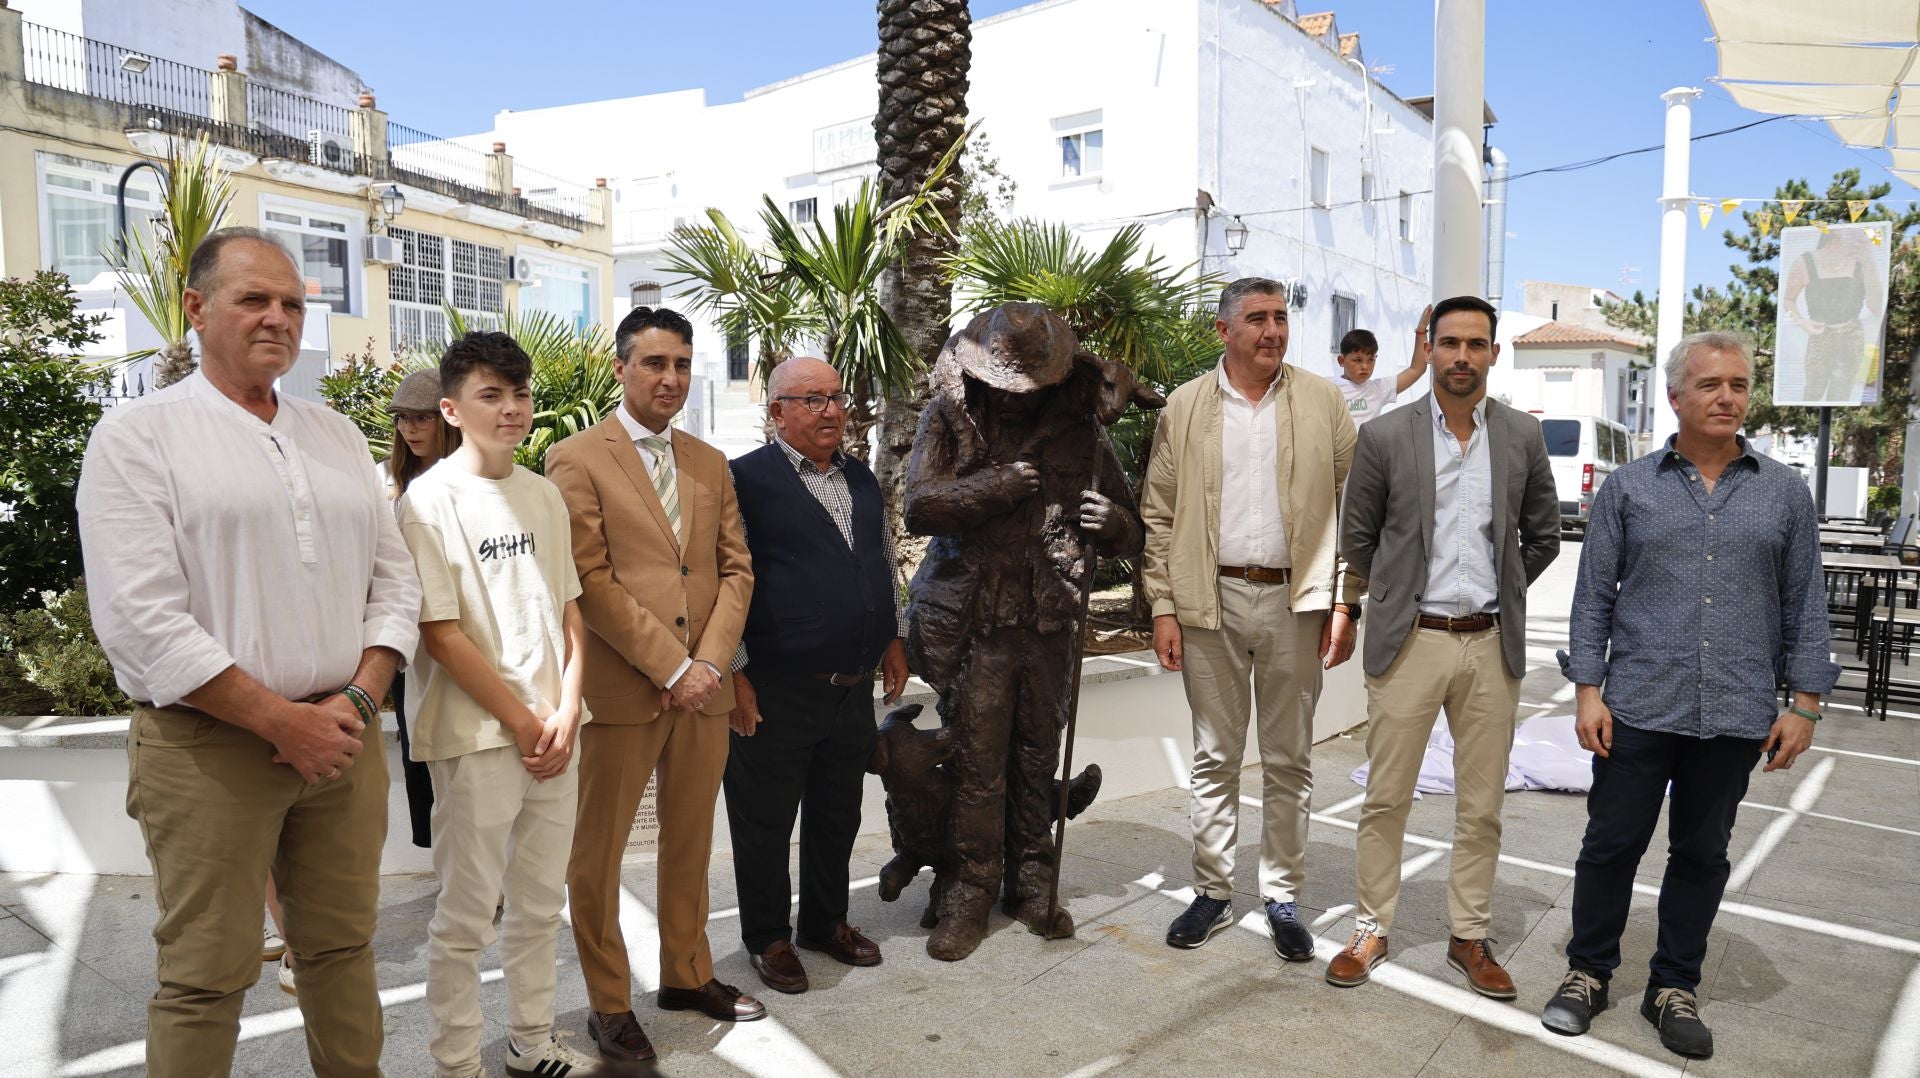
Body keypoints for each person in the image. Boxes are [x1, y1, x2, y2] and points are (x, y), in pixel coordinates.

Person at [76, 227, 420, 1077]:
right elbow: (140, 621)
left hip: (342, 736)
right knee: (205, 976)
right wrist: (281, 721)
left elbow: (397, 587)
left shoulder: (336, 434)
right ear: (196, 309)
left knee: (343, 952)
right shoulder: (138, 437)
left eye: (293, 303)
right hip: (207, 746)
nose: (279, 318)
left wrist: (360, 701)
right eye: (254, 299)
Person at [1542, 331, 1838, 1060]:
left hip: (1735, 711)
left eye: (1738, 384)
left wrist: (1805, 705)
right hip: (1637, 703)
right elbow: (1593, 598)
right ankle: (1588, 973)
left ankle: (1673, 986)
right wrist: (1587, 691)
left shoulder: (1784, 493)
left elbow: (1805, 601)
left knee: (1702, 854)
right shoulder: (1629, 488)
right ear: (1675, 398)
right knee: (1610, 846)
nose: (1727, 397)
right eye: (1710, 385)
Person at [1331, 294, 1560, 997]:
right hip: (1410, 641)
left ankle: (1470, 935)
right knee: (1388, 797)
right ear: (1429, 348)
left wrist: (1508, 589)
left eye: (1476, 344)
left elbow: (1543, 535)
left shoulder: (1521, 435)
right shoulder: (1387, 435)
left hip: (1489, 644)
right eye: (1450, 342)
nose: (1462, 356)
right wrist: (1367, 604)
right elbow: (1357, 537)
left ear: (1494, 352)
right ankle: (1372, 927)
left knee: (1481, 803)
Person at [546, 306, 757, 1064]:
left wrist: (708, 666)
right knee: (595, 857)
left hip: (704, 690)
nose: (670, 378)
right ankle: (609, 1003)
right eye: (654, 363)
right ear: (621, 368)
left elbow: (736, 569)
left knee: (693, 840)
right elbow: (589, 580)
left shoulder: (710, 460)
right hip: (625, 692)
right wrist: (671, 665)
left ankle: (686, 972)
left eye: (680, 364)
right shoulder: (575, 459)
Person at [903, 302, 1144, 961]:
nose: (1015, 400)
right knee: (979, 763)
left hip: (1050, 620)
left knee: (1038, 751)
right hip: (979, 620)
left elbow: (1130, 530)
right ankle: (969, 888)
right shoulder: (948, 418)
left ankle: (1033, 878)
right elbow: (919, 505)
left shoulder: (1079, 430)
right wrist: (993, 487)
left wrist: (1110, 523)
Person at [1141, 277, 1361, 960]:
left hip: (1300, 601)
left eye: (1280, 318)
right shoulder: (1186, 406)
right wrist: (1164, 606)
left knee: (1290, 758)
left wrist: (1346, 599)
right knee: (1215, 756)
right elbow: (1159, 513)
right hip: (1210, 601)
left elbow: (1359, 509)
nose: (1273, 330)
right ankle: (1211, 892)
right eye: (1257, 319)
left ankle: (1282, 896)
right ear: (1223, 331)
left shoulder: (1324, 399)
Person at [399, 332, 599, 1077]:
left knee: (541, 905)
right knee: (464, 918)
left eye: (519, 394)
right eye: (492, 394)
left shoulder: (542, 493)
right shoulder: (429, 502)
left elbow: (570, 610)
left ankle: (531, 1042)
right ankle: (456, 1062)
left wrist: (566, 709)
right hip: (480, 737)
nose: (511, 408)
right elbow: (440, 635)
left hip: (555, 731)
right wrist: (523, 720)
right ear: (452, 408)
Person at [723, 356, 909, 995]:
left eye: (836, 397)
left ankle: (825, 923)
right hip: (775, 687)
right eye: (812, 400)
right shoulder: (743, 480)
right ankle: (769, 938)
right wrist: (736, 675)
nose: (832, 411)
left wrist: (891, 637)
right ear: (776, 412)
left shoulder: (858, 477)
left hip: (850, 687)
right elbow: (728, 583)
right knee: (765, 822)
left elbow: (882, 561)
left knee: (838, 814)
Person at [387, 368, 459, 852]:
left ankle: (478, 870)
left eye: (421, 418)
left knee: (464, 753)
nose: (410, 429)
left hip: (460, 634)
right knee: (420, 752)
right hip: (407, 640)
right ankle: (446, 863)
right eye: (403, 419)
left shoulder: (468, 481)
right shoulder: (387, 482)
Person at [1781, 226, 1884, 404]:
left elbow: (1876, 306)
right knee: (1813, 393)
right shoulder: (1806, 261)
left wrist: (1869, 263)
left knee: (1841, 395)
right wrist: (1802, 322)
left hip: (1852, 337)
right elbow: (1788, 300)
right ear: (1836, 234)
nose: (1861, 239)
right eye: (1857, 236)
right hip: (1820, 337)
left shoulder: (1861, 263)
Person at [1329, 304, 1433, 426]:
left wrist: (1421, 330)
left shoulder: (1378, 389)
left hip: (1366, 445)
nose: (1365, 366)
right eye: (1357, 360)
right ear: (1342, 360)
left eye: (1371, 360)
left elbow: (1417, 369)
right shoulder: (1327, 387)